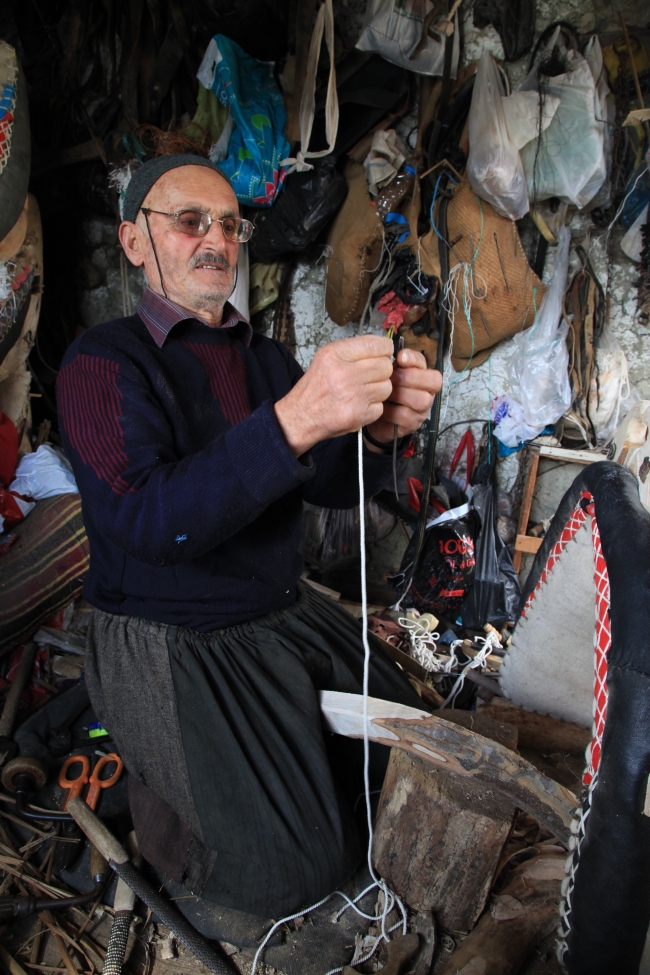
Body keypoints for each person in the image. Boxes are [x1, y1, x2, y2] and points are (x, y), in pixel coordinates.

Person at [56, 154, 441, 919]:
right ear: (134, 242)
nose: (217, 240)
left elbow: (326, 481)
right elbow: (146, 520)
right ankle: (168, 811)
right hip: (173, 635)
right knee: (293, 870)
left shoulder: (261, 358)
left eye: (230, 225)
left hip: (279, 610)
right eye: (189, 221)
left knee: (415, 760)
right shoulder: (101, 361)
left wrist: (379, 435)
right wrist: (297, 417)